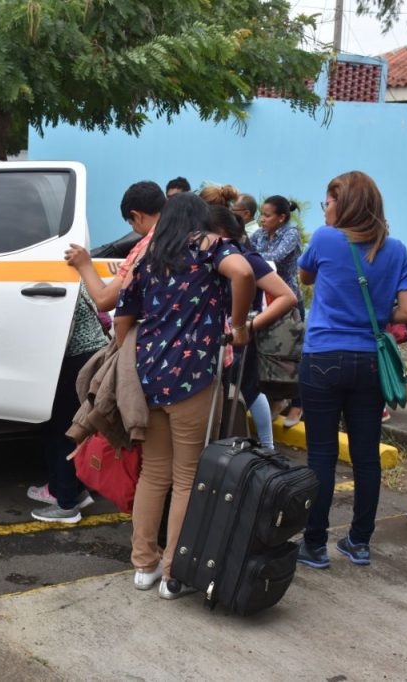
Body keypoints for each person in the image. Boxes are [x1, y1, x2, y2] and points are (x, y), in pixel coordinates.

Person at [113, 192, 255, 598]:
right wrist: (240, 326)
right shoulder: (209, 247)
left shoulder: (147, 258)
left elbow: (123, 319)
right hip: (192, 377)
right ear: (201, 220)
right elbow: (243, 274)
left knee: (154, 472)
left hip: (148, 377)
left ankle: (144, 565)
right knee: (187, 477)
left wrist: (133, 359)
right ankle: (175, 571)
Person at [296, 171, 407, 570]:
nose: (325, 208)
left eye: (328, 201)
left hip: (324, 357)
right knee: (365, 456)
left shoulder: (325, 238)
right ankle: (359, 542)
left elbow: (305, 277)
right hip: (369, 363)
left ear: (342, 204)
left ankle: (314, 544)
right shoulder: (396, 249)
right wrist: (379, 312)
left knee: (321, 455)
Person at [206, 205, 297, 449]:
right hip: (216, 340)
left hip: (239, 342)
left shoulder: (246, 259)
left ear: (221, 233)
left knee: (249, 389)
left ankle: (267, 447)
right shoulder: (210, 257)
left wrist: (248, 325)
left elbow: (287, 297)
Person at [28, 283, 109, 523]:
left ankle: (66, 505)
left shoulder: (51, 282)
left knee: (62, 431)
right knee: (64, 427)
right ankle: (70, 490)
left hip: (74, 360)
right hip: (89, 358)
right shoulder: (73, 279)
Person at [66, 181, 166, 311]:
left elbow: (104, 300)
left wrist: (84, 265)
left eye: (131, 223)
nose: (135, 230)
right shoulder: (189, 232)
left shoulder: (146, 245)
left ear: (137, 216)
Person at [250, 195, 305, 426]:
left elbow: (273, 257)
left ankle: (298, 405)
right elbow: (247, 252)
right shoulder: (259, 234)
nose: (262, 220)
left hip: (288, 303)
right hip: (266, 301)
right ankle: (276, 400)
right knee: (269, 355)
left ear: (282, 218)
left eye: (267, 215)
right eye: (261, 214)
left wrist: (249, 258)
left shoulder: (290, 234)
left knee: (291, 356)